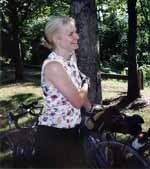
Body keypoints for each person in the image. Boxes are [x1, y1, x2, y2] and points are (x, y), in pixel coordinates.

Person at [35, 15, 92, 168]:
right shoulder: (53, 66)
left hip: (71, 131)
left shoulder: (70, 57)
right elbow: (77, 99)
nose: (77, 36)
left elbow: (76, 87)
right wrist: (87, 83)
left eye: (76, 32)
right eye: (71, 34)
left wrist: (91, 110)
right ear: (57, 39)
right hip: (53, 137)